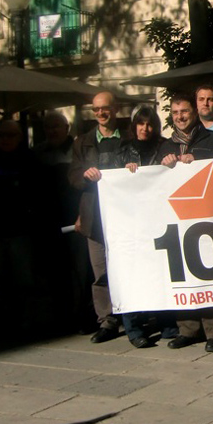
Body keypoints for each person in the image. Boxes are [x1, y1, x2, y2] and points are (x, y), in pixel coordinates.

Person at [157, 94, 213, 353]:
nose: (180, 117)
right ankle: (188, 330)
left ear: (194, 113)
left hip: (210, 216)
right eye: (175, 113)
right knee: (183, 273)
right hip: (178, 219)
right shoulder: (165, 146)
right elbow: (154, 182)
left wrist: (199, 163)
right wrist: (163, 165)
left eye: (184, 112)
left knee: (210, 271)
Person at [115, 106, 178, 348]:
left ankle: (167, 324)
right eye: (141, 124)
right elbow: (112, 183)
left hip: (158, 220)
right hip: (130, 222)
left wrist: (173, 163)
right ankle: (134, 329)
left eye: (150, 124)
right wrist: (123, 174)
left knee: (160, 272)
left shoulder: (165, 147)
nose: (145, 128)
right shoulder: (123, 151)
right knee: (131, 273)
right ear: (134, 126)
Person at [68, 91, 127, 344]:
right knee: (100, 272)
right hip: (95, 217)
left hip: (126, 215)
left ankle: (134, 316)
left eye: (105, 108)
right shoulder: (82, 142)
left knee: (129, 267)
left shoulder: (129, 137)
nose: (101, 113)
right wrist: (84, 175)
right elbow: (73, 176)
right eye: (96, 109)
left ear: (115, 109)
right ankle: (107, 320)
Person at [34, 111, 93, 334]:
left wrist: (82, 215)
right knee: (56, 272)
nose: (52, 131)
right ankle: (61, 318)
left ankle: (83, 316)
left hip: (76, 221)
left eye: (57, 126)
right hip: (49, 223)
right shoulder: (38, 153)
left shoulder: (78, 149)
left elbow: (84, 187)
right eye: (48, 127)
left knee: (81, 272)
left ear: (66, 128)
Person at [0, 120, 48, 335]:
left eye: (10, 135)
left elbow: (40, 196)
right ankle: (1, 321)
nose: (5, 139)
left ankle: (26, 321)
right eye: (1, 135)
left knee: (24, 279)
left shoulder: (31, 161)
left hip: (22, 231)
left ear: (19, 138)